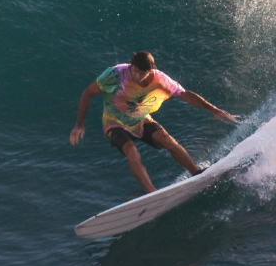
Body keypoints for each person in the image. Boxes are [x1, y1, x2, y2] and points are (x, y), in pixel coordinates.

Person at [70, 51, 236, 193]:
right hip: (114, 123)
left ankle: (197, 173)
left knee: (168, 141)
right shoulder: (115, 74)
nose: (139, 77)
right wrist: (79, 124)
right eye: (136, 72)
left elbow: (185, 95)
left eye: (144, 74)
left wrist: (213, 109)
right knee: (132, 152)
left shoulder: (159, 79)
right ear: (131, 66)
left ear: (151, 71)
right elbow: (87, 93)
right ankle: (152, 193)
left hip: (141, 120)